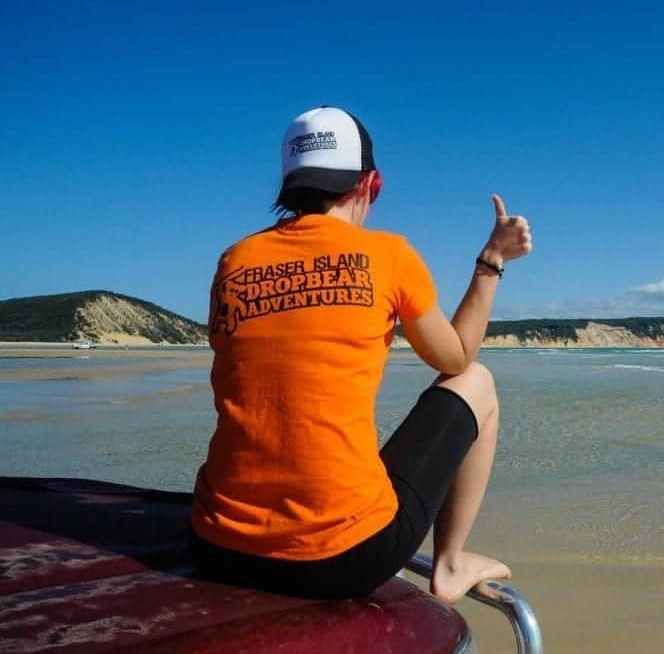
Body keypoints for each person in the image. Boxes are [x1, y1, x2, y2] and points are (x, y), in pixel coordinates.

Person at [190, 105, 532, 604]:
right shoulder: (387, 256)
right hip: (339, 559)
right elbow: (454, 359)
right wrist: (492, 260)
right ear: (373, 184)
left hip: (218, 544)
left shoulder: (235, 260)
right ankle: (452, 563)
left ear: (290, 184)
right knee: (477, 381)